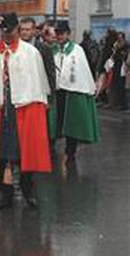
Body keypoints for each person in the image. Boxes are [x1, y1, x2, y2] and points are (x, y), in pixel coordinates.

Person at [0, 13, 51, 210]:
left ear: (17, 29)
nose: (7, 35)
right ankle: (5, 193)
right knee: (0, 151)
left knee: (24, 150)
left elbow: (37, 81)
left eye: (11, 30)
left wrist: (40, 103)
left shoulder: (30, 53)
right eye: (4, 31)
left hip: (24, 105)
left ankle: (27, 189)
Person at [53, 21, 100, 163]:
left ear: (68, 34)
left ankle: (70, 151)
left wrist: (86, 87)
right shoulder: (53, 49)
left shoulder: (76, 50)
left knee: (71, 123)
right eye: (57, 33)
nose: (59, 36)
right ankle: (52, 147)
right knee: (55, 120)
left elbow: (82, 69)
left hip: (72, 91)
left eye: (62, 33)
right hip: (57, 90)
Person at [20, 18, 57, 143]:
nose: (24, 32)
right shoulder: (16, 47)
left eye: (27, 29)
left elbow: (50, 73)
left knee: (40, 127)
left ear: (34, 31)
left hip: (39, 93)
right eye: (22, 30)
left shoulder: (44, 48)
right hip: (21, 94)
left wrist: (50, 97)